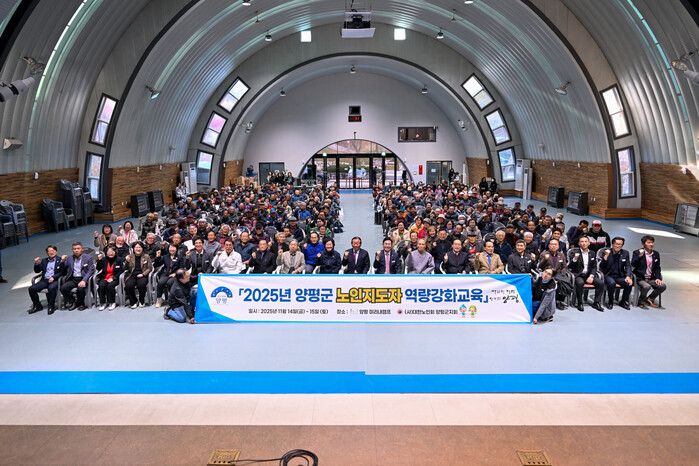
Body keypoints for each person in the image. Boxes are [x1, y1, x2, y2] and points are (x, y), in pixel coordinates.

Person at [568, 235, 605, 312]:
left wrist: (591, 276)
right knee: (580, 283)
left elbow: (594, 267)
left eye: (585, 241)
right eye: (582, 242)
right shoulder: (574, 252)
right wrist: (575, 259)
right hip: (578, 275)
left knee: (600, 283)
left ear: (589, 243)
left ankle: (596, 302)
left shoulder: (592, 253)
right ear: (579, 243)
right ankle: (580, 302)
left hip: (588, 275)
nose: (584, 243)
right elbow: (570, 266)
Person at [28, 245, 65, 315]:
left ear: (56, 252)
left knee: (51, 288)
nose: (51, 252)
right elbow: (37, 271)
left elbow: (63, 272)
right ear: (47, 253)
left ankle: (51, 306)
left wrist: (54, 277)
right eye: (49, 251)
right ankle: (37, 305)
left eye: (53, 251)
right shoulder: (44, 261)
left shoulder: (60, 260)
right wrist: (37, 263)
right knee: (31, 289)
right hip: (45, 280)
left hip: (55, 280)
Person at [631, 235, 666, 308]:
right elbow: (633, 264)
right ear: (643, 244)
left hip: (651, 278)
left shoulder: (656, 254)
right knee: (647, 286)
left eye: (652, 242)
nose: (651, 244)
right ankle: (641, 300)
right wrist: (639, 256)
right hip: (640, 278)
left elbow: (657, 268)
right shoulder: (637, 252)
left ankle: (650, 298)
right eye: (649, 243)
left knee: (662, 286)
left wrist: (658, 278)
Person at [59, 242, 96, 311]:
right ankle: (73, 302)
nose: (76, 250)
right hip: (73, 279)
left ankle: (81, 304)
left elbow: (91, 270)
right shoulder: (69, 258)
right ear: (72, 250)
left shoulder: (88, 258)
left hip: (83, 278)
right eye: (74, 249)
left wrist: (84, 280)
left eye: (78, 248)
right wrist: (62, 261)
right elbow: (63, 268)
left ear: (82, 249)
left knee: (80, 289)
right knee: (63, 288)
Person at [599, 237, 633, 310]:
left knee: (629, 284)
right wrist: (606, 256)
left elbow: (628, 266)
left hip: (619, 276)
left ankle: (623, 301)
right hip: (608, 275)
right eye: (616, 244)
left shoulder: (625, 253)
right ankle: (610, 301)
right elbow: (602, 266)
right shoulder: (606, 252)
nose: (618, 246)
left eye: (620, 244)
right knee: (612, 283)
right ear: (612, 244)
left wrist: (628, 276)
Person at [538, 238, 572, 309]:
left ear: (558, 246)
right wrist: (545, 260)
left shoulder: (561, 255)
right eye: (552, 244)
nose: (554, 246)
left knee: (564, 281)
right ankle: (552, 301)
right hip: (547, 274)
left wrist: (562, 273)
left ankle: (559, 301)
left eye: (555, 244)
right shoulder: (544, 254)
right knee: (558, 281)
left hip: (558, 274)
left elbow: (564, 266)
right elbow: (540, 267)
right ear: (549, 246)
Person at [154, 243, 186, 307]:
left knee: (169, 283)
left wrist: (175, 274)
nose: (172, 249)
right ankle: (159, 299)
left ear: (176, 249)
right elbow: (156, 265)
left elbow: (181, 268)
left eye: (173, 248)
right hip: (166, 274)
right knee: (160, 282)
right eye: (170, 247)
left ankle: (172, 299)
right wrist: (157, 257)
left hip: (175, 275)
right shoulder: (165, 257)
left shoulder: (180, 257)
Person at [124, 241, 153, 308]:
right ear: (133, 249)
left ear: (142, 248)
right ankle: (133, 301)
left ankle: (141, 300)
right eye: (136, 247)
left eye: (140, 247)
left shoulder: (146, 256)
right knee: (128, 285)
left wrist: (143, 274)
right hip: (132, 275)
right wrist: (127, 262)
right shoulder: (130, 256)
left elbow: (149, 268)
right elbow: (125, 268)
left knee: (141, 284)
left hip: (142, 275)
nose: (138, 249)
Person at [95, 246, 124, 311]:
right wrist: (99, 261)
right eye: (109, 252)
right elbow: (98, 268)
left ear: (115, 252)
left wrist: (113, 278)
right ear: (106, 252)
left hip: (115, 278)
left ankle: (112, 302)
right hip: (105, 277)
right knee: (101, 286)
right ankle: (103, 303)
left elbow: (121, 271)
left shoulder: (119, 259)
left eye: (112, 251)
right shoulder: (104, 259)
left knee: (110, 286)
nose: (111, 253)